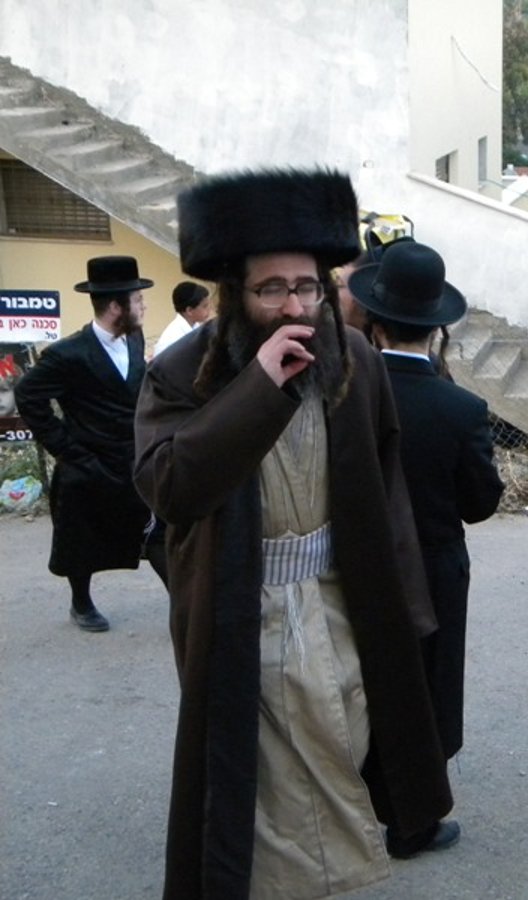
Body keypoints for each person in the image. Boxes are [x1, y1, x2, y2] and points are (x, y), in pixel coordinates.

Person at [133, 168, 453, 899]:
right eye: (270, 288)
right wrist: (259, 388)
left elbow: (386, 489)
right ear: (234, 296)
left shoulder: (358, 363)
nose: (294, 306)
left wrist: (409, 609)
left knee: (342, 765)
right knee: (272, 799)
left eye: (307, 286)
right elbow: (171, 488)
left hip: (343, 610)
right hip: (244, 616)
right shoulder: (182, 372)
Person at [348, 239, 504, 795]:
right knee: (428, 682)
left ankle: (359, 795)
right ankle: (413, 813)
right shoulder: (460, 408)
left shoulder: (343, 394)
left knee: (362, 676)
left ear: (376, 323)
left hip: (355, 562)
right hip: (435, 568)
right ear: (437, 327)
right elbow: (481, 503)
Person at [15, 256, 165, 632]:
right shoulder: (68, 354)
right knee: (81, 540)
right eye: (138, 299)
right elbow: (28, 395)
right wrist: (67, 450)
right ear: (116, 306)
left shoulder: (134, 338)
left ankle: (182, 598)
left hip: (132, 460)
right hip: (88, 464)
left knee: (156, 531)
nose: (144, 305)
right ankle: (81, 603)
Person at [154, 281, 213, 357]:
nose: (209, 309)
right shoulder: (174, 338)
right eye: (204, 306)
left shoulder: (195, 326)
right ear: (189, 311)